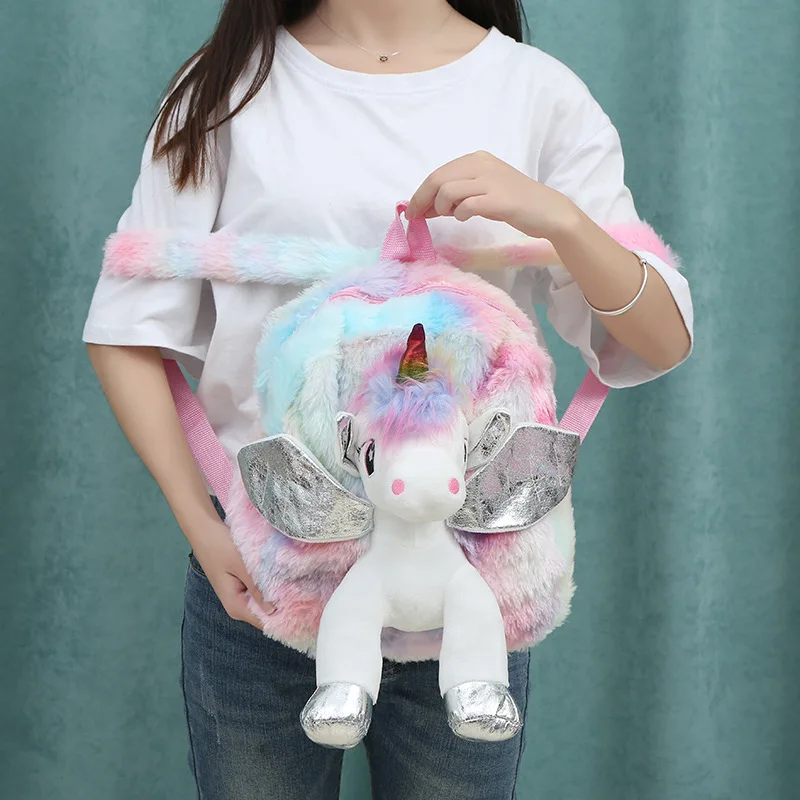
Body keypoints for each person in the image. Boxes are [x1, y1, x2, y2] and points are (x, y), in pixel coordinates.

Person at [84, 1, 693, 797]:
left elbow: (659, 341)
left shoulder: (538, 94)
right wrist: (201, 522)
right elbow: (125, 327)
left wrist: (564, 222)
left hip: (470, 587)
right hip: (268, 574)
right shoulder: (223, 89)